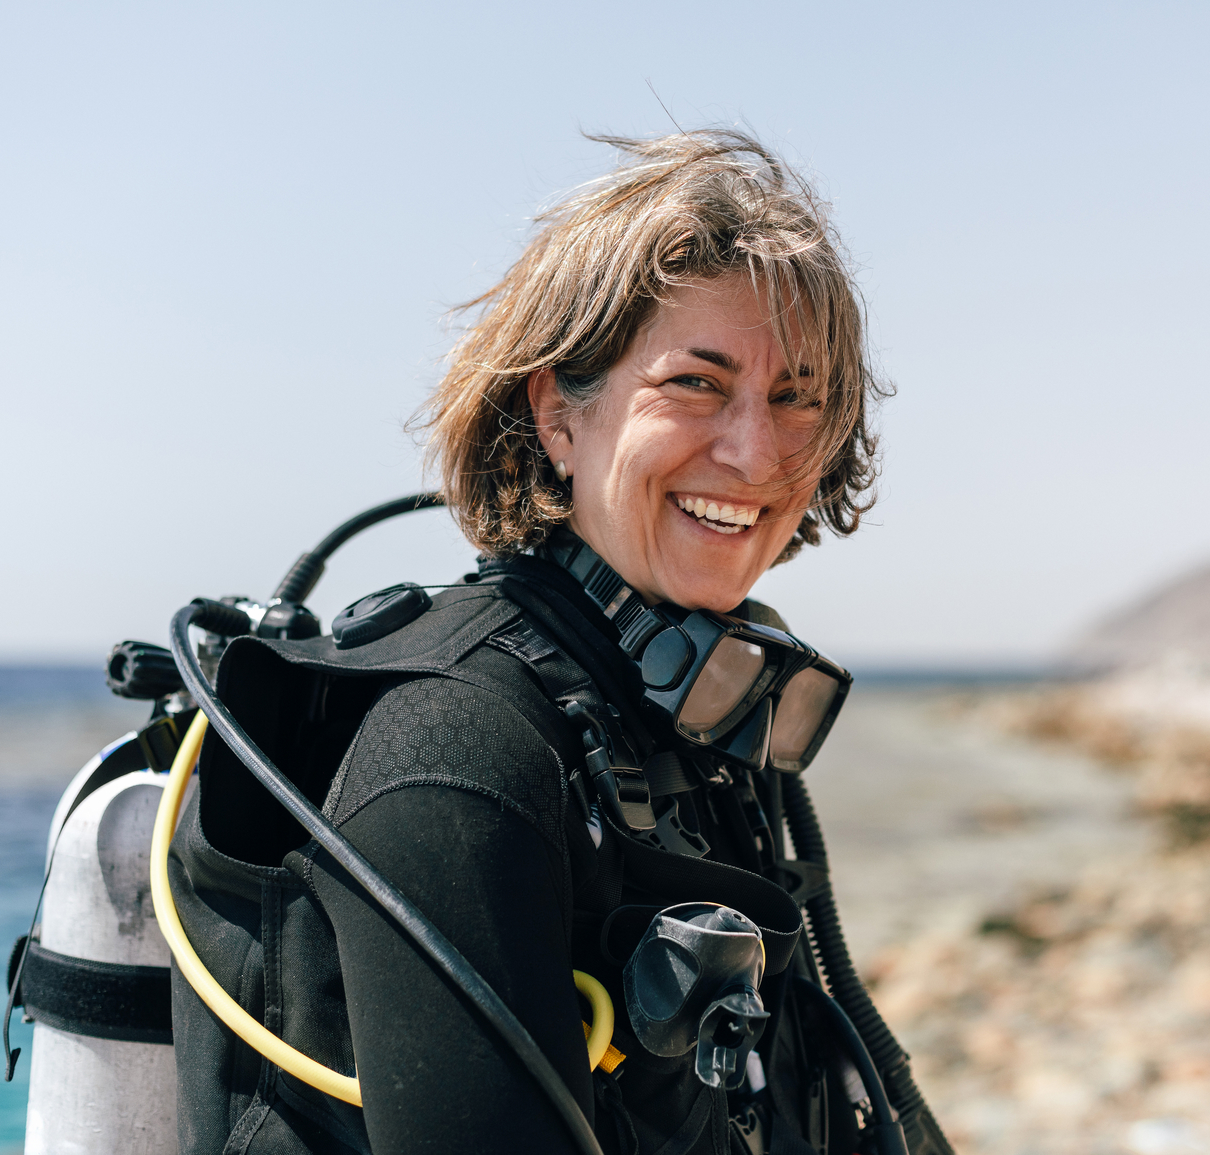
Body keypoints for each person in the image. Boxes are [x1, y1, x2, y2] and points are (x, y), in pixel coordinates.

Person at [167, 130, 949, 1155]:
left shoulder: (691, 720)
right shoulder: (455, 750)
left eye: (795, 396)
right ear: (557, 416)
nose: (755, 450)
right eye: (696, 384)